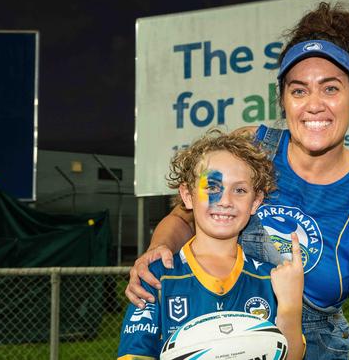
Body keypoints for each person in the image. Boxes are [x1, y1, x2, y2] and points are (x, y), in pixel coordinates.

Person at [127, 2, 349, 359]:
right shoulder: (253, 148)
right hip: (219, 334)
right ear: (283, 100)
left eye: (330, 89)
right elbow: (184, 216)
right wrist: (156, 254)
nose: (314, 105)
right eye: (299, 90)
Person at [117, 130, 305, 360]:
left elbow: (291, 355)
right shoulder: (157, 276)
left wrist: (290, 307)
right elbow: (134, 354)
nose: (225, 201)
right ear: (187, 195)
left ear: (255, 202)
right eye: (212, 187)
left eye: (239, 190)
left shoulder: (270, 279)